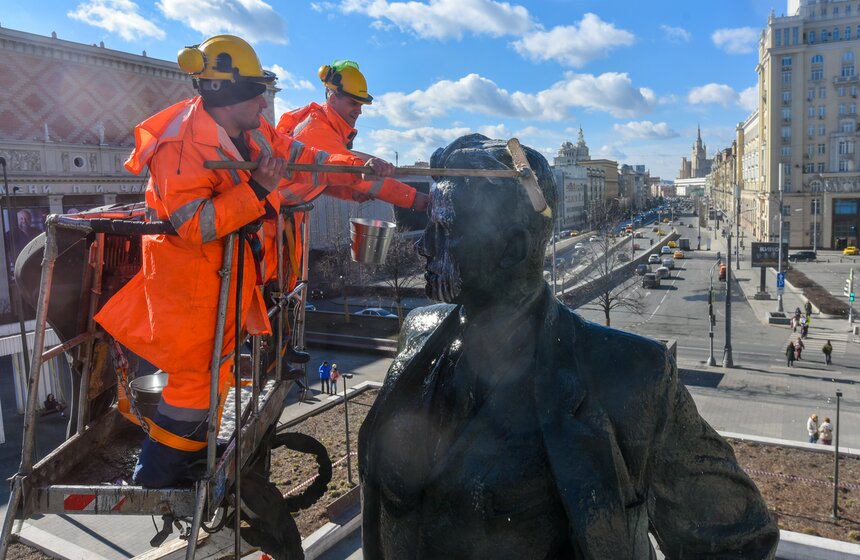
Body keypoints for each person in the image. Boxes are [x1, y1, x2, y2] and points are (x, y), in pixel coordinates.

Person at [358, 134, 778, 559]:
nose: (424, 246)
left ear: (515, 248)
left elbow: (740, 542)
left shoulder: (629, 375)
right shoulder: (418, 332)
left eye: (445, 229)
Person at [94, 35, 393, 488]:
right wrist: (254, 192)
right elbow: (192, 224)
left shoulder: (249, 129)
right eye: (255, 91)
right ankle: (157, 481)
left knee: (216, 376)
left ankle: (188, 462)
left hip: (223, 280)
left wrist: (355, 164)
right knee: (195, 385)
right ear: (228, 95)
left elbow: (302, 156)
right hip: (188, 284)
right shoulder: (179, 145)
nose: (263, 99)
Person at [273, 60, 429, 290]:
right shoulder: (317, 130)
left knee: (282, 292)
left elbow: (314, 178)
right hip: (271, 221)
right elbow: (355, 174)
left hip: (280, 217)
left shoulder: (323, 125)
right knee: (274, 291)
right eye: (353, 103)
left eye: (362, 104)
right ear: (332, 96)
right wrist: (418, 200)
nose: (359, 110)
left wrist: (348, 193)